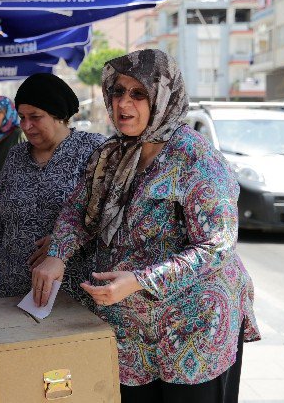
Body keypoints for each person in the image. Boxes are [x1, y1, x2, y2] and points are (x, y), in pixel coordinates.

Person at [32, 49, 260, 402]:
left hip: (194, 330)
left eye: (138, 93)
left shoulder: (195, 157)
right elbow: (78, 210)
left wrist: (140, 280)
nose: (124, 103)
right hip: (130, 331)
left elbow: (216, 246)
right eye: (118, 91)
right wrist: (58, 254)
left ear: (163, 98)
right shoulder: (112, 153)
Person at [0, 73, 106, 301]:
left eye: (35, 117)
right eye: (22, 117)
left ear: (58, 115)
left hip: (68, 297)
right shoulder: (16, 155)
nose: (27, 126)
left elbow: (109, 217)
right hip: (8, 293)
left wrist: (66, 241)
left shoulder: (93, 150)